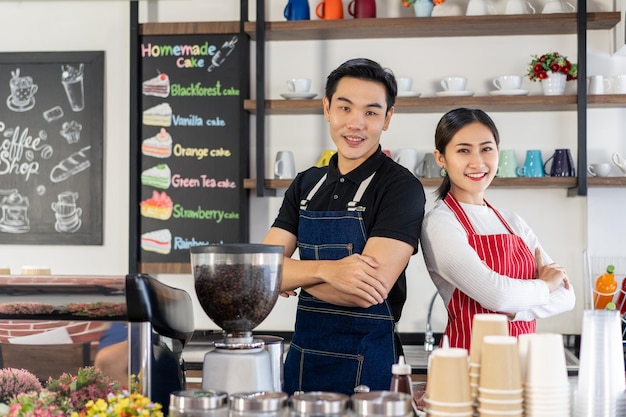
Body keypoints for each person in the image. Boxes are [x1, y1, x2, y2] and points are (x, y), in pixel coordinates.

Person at [262, 58, 425, 395]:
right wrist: (329, 271)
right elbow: (263, 272)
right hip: (303, 364)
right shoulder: (306, 184)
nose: (356, 124)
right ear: (327, 109)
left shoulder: (400, 187)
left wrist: (295, 273)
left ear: (387, 118)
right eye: (345, 108)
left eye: (370, 112)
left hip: (371, 372)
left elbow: (368, 291)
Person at [420, 108, 576, 350]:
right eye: (463, 150)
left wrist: (514, 312)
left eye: (486, 149)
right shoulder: (440, 223)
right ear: (441, 158)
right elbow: (497, 295)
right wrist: (545, 286)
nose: (477, 162)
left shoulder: (513, 222)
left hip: (522, 363)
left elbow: (567, 296)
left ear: (498, 153)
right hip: (467, 366)